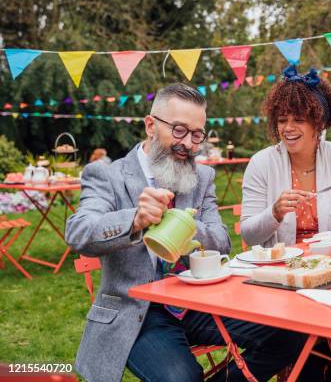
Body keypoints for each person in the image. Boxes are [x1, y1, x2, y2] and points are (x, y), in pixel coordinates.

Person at [66, 83, 305, 382]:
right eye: (179, 131)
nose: (189, 144)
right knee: (182, 378)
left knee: (291, 334)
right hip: (138, 313)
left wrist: (185, 225)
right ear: (151, 125)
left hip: (198, 303)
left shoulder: (202, 176)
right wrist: (135, 220)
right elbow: (78, 232)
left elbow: (222, 241)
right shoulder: (108, 175)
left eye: (196, 135)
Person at [240, 65, 331, 380]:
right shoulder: (261, 163)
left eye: (298, 119)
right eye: (282, 120)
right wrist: (275, 213)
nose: (288, 128)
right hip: (283, 281)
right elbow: (248, 233)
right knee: (303, 346)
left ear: (318, 122)